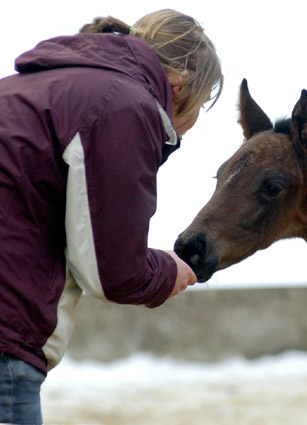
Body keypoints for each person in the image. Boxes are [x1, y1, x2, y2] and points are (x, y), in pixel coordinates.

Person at [0, 9, 223, 424]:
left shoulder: (33, 86)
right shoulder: (123, 103)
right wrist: (166, 271)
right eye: (201, 105)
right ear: (181, 86)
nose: (190, 126)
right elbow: (112, 272)